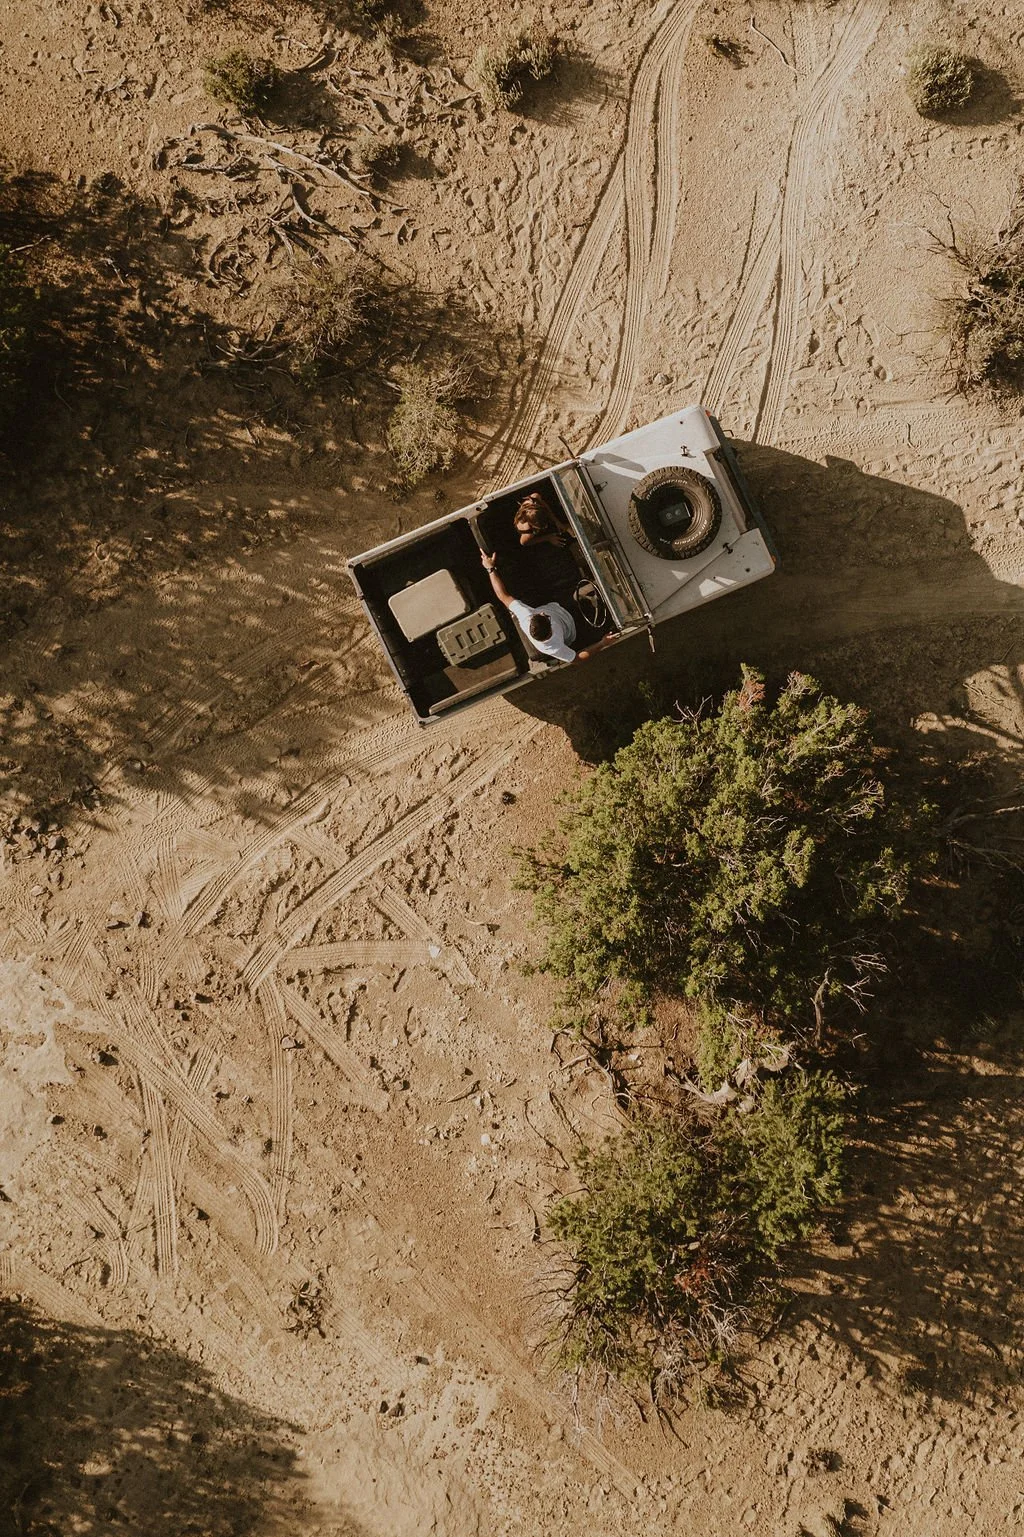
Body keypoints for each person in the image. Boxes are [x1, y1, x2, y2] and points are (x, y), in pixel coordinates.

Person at [480, 549, 617, 664]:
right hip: (576, 628)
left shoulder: (526, 615)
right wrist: (602, 643)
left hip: (561, 605)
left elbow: (503, 596)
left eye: (539, 615)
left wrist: (490, 569)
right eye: (545, 617)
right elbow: (576, 659)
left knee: (591, 587)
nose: (543, 613)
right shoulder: (553, 647)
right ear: (550, 631)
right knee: (608, 617)